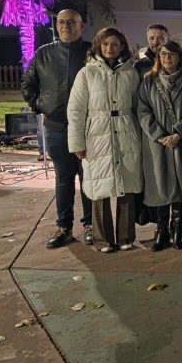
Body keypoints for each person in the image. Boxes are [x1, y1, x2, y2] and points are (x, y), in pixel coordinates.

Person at [22, 9, 93, 248]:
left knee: (88, 178)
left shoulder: (91, 52)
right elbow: (28, 84)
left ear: (81, 26)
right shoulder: (44, 53)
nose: (65, 26)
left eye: (71, 22)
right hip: (56, 127)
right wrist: (42, 106)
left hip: (87, 128)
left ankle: (91, 225)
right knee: (63, 179)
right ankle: (64, 227)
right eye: (61, 22)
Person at [67, 28, 142, 252]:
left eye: (115, 44)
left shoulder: (131, 73)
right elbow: (76, 110)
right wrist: (77, 143)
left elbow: (138, 106)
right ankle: (102, 239)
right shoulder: (87, 73)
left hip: (126, 131)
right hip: (97, 133)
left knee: (127, 184)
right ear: (99, 46)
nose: (110, 48)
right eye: (106, 44)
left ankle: (126, 237)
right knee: (99, 186)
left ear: (122, 47)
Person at [138, 41, 182, 251]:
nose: (167, 58)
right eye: (163, 54)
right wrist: (159, 135)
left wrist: (179, 133)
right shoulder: (148, 81)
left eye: (172, 54)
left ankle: (178, 230)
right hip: (157, 144)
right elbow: (142, 111)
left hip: (179, 141)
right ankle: (162, 231)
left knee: (180, 186)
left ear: (180, 57)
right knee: (160, 186)